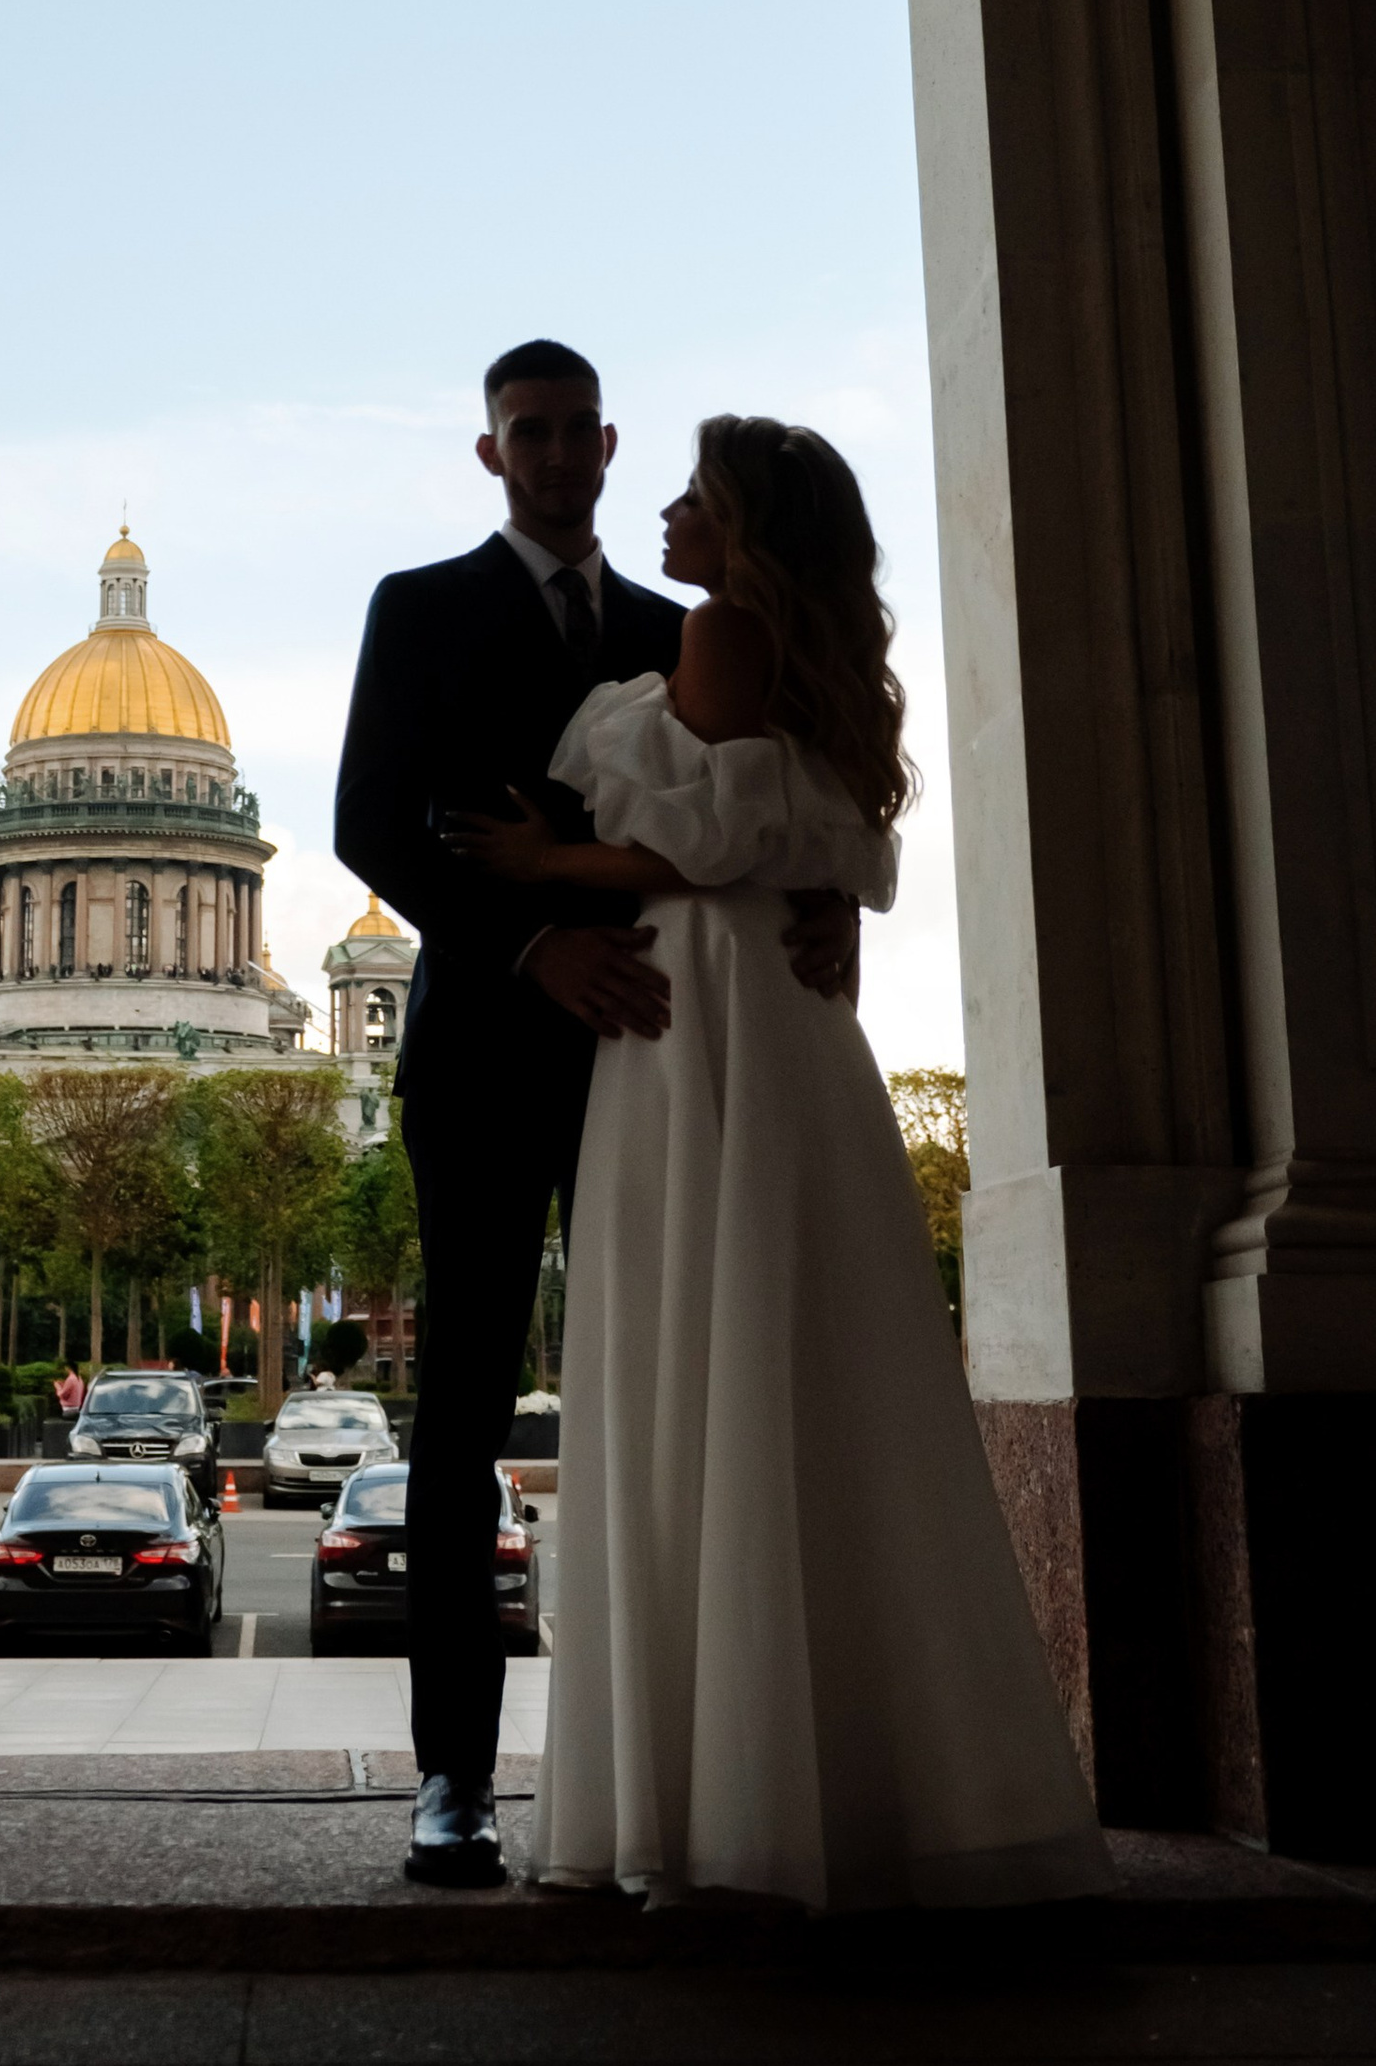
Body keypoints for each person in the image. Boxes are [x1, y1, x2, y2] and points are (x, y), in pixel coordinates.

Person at [449, 414, 1107, 1912]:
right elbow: (793, 834)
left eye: (697, 496)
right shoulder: (784, 648)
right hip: (775, 1021)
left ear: (746, 528)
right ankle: (858, 1781)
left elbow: (717, 841)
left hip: (699, 1016)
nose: (669, 514)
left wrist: (545, 868)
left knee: (695, 1355)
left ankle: (711, 1800)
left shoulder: (721, 631)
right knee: (798, 1366)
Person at [334, 340, 855, 1890]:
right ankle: (454, 1779)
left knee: (680, 1399)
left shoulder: (686, 623)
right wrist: (526, 943)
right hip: (494, 1050)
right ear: (490, 453)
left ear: (610, 446)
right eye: (526, 433)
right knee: (465, 1414)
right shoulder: (417, 607)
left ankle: (679, 1776)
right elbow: (375, 819)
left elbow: (776, 795)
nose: (556, 455)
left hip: (666, 1047)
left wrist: (832, 899)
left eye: (576, 431)